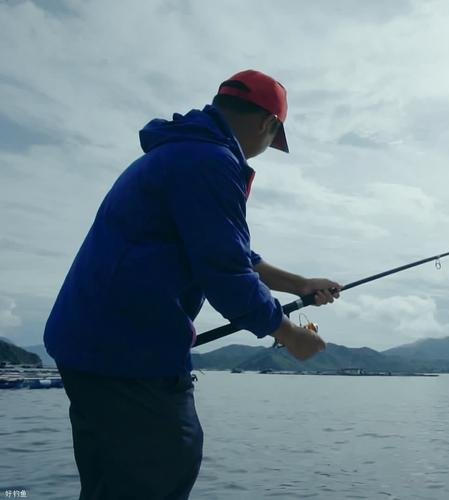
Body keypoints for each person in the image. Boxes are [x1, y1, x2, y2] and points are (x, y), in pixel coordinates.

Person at [43, 69, 340, 499]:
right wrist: (288, 333)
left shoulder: (184, 153)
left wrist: (300, 285)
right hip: (129, 356)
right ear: (267, 123)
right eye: (271, 141)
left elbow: (225, 251)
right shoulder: (211, 161)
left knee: (111, 486)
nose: (262, 152)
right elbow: (226, 271)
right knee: (161, 474)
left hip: (94, 349)